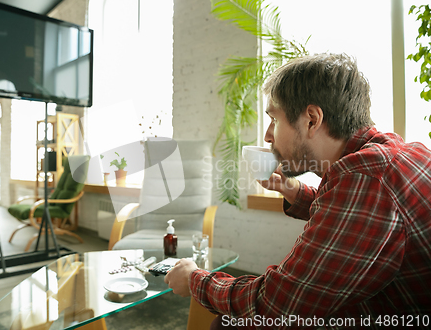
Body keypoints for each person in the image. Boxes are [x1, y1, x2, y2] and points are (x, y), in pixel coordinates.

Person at [164, 53, 431, 329]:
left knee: (229, 325)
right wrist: (290, 189)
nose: (268, 135)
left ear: (312, 120)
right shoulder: (385, 155)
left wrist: (196, 280)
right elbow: (348, 217)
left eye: (274, 120)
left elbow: (277, 306)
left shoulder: (366, 178)